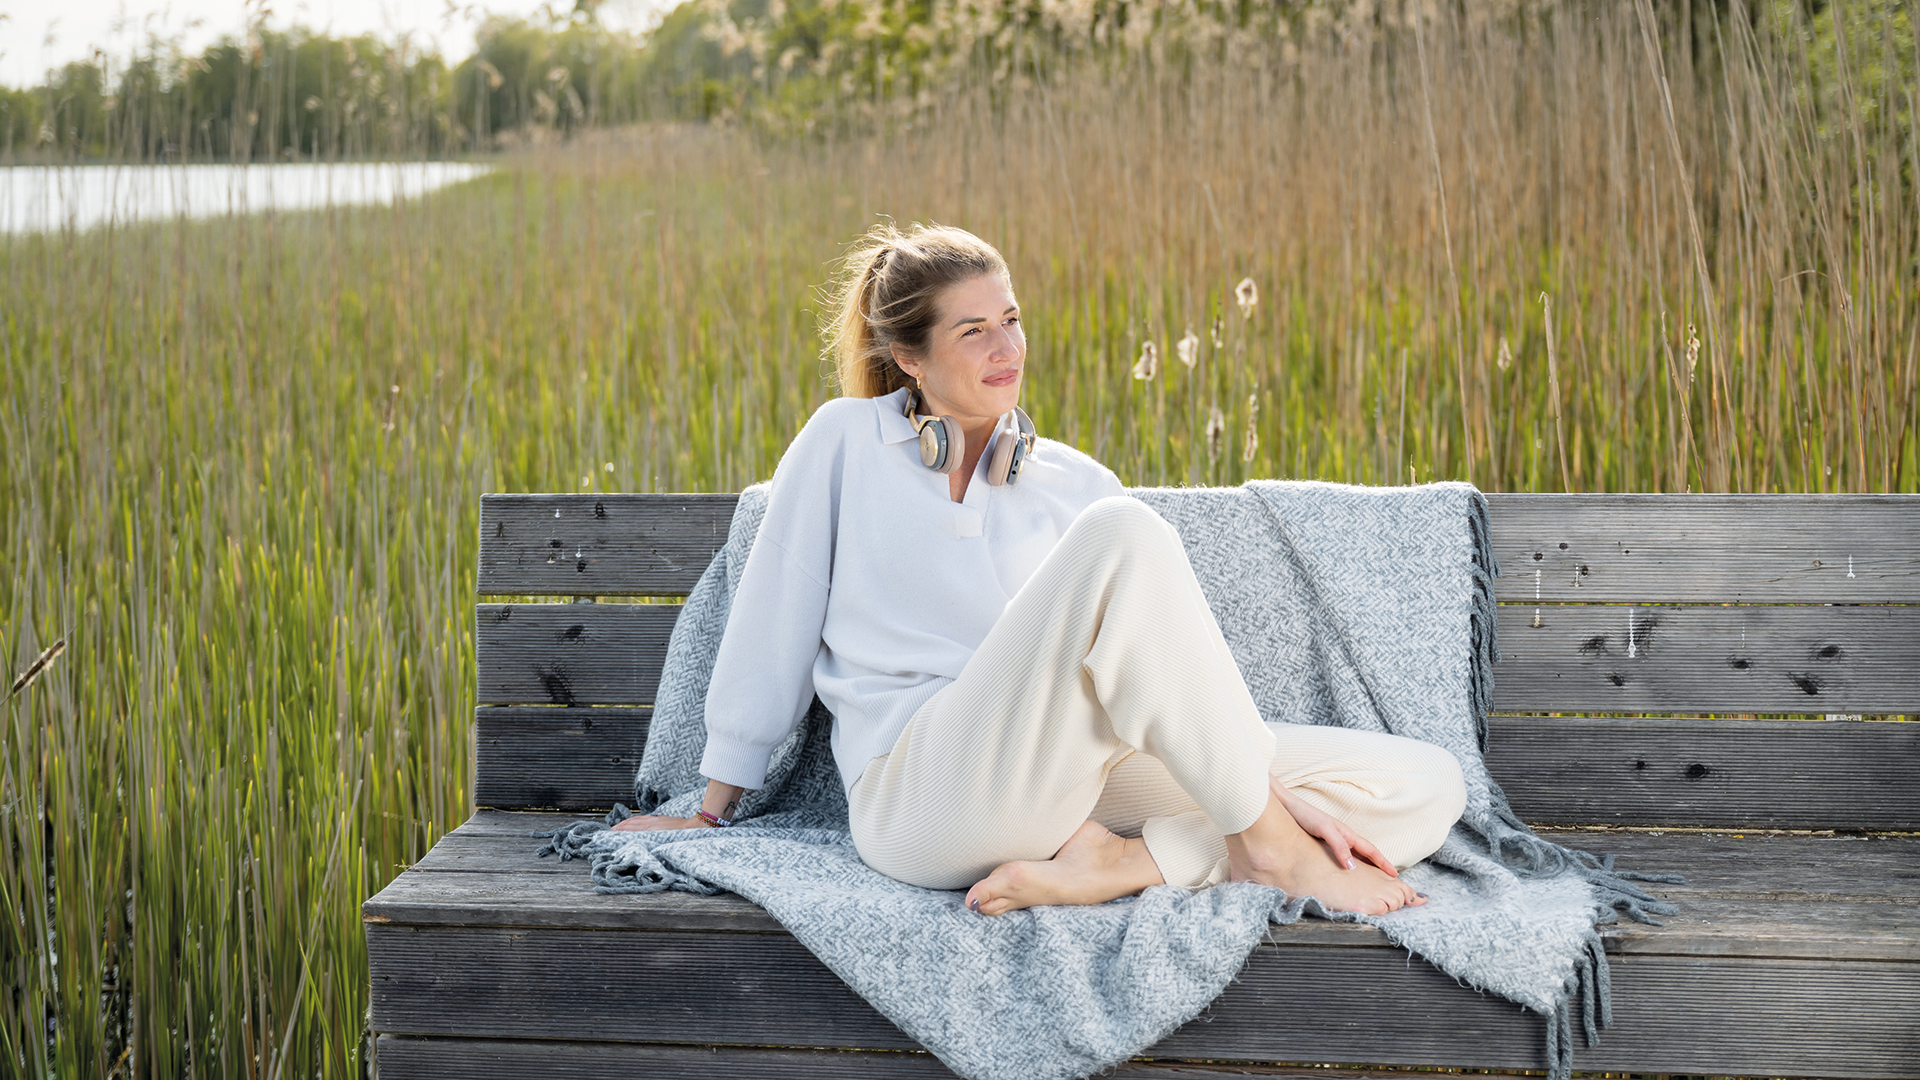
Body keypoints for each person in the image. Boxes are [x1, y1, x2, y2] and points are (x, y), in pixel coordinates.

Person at [613, 223, 1466, 916]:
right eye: (973, 329)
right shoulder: (844, 442)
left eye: (1012, 319)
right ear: (910, 357)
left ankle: (1125, 865)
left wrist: (1264, 789)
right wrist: (711, 802)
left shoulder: (1075, 485)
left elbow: (1168, 671)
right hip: (920, 799)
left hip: (1066, 788)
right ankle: (1269, 850)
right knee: (1123, 534)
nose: (1005, 347)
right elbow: (773, 620)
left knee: (1426, 788)